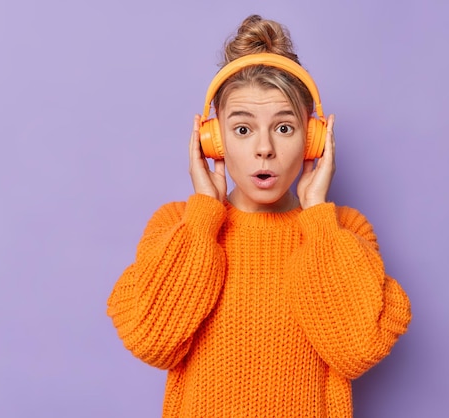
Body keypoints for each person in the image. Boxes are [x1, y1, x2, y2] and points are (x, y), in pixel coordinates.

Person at [107, 14, 411, 417]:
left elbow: (358, 349)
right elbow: (150, 340)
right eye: (243, 129)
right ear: (213, 141)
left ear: (314, 139)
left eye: (284, 128)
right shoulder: (178, 225)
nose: (264, 148)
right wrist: (203, 218)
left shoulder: (343, 231)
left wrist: (318, 216)